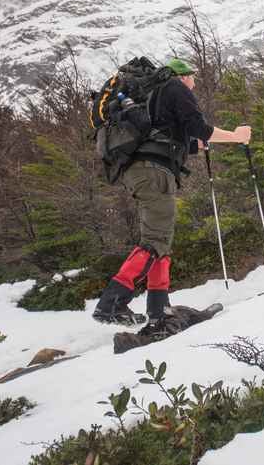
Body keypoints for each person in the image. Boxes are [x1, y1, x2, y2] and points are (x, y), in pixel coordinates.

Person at [93, 57, 251, 328]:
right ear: (183, 75)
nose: (194, 83)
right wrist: (236, 136)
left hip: (141, 170)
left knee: (160, 240)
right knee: (156, 239)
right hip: (154, 172)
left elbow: (176, 138)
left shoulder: (153, 96)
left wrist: (198, 144)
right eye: (193, 77)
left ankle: (159, 309)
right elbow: (199, 128)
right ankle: (112, 303)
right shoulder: (174, 87)